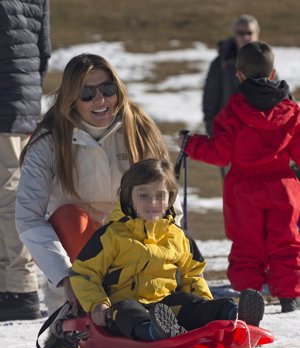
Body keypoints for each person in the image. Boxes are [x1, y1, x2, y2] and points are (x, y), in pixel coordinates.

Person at [15, 53, 182, 317]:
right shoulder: (49, 140)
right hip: (76, 242)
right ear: (71, 97)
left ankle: (157, 310)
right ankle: (73, 314)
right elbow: (28, 217)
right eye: (87, 93)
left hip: (131, 236)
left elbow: (168, 201)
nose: (100, 100)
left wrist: (174, 257)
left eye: (107, 88)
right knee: (70, 219)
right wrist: (65, 278)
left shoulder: (139, 129)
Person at [69, 158, 265, 341]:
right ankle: (153, 332)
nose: (152, 203)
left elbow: (193, 275)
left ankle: (235, 316)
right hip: (124, 305)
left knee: (193, 303)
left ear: (170, 198)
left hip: (167, 306)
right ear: (128, 197)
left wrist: (203, 303)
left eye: (159, 196)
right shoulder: (111, 236)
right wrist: (98, 304)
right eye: (143, 196)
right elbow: (84, 273)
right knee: (127, 312)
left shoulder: (178, 236)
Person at [179, 41, 300, 313]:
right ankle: (289, 300)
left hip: (244, 190)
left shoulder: (233, 110)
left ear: (239, 74)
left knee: (247, 245)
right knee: (286, 243)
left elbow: (221, 154)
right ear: (273, 73)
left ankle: (250, 298)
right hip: (283, 187)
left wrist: (191, 144)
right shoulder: (291, 110)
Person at [0, 0, 51, 321]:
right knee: (13, 196)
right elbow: (43, 54)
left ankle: (20, 289)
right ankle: (13, 286)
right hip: (25, 105)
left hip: (6, 106)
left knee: (8, 198)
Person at [202, 14, 260, 178]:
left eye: (249, 32)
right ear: (235, 36)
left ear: (257, 34)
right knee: (234, 194)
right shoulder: (221, 64)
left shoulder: (266, 62)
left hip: (261, 144)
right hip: (230, 141)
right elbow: (210, 104)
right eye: (241, 33)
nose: (245, 37)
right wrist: (216, 138)